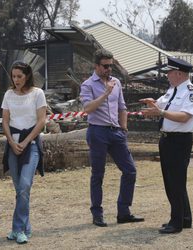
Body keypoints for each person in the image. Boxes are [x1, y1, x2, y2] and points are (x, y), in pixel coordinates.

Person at [80, 48, 144, 227]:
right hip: (97, 132)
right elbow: (87, 109)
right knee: (98, 174)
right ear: (96, 66)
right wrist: (105, 93)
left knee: (130, 170)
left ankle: (123, 212)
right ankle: (97, 213)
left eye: (111, 66)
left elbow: (122, 106)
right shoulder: (87, 84)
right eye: (105, 66)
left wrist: (124, 128)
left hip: (116, 132)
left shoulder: (116, 82)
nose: (109, 69)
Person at [140, 57, 193, 234]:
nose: (167, 75)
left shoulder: (191, 93)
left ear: (179, 73)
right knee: (173, 181)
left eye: (169, 72)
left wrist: (160, 112)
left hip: (179, 141)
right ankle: (185, 218)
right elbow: (160, 106)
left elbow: (184, 117)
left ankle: (176, 223)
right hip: (167, 139)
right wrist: (152, 104)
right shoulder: (173, 90)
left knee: (175, 182)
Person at [2, 60, 47, 244]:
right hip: (13, 143)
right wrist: (12, 142)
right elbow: (5, 120)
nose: (16, 79)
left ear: (27, 75)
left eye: (19, 76)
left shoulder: (38, 93)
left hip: (31, 143)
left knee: (25, 186)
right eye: (13, 76)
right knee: (19, 189)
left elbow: (42, 120)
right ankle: (26, 227)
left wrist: (27, 141)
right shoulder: (8, 94)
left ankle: (17, 229)